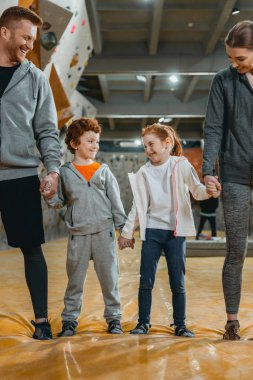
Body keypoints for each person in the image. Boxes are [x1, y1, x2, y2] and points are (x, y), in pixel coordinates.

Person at [118, 124, 219, 337]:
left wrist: (209, 190)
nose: (148, 150)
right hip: (152, 231)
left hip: (175, 232)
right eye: (145, 146)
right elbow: (138, 206)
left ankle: (180, 324)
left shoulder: (180, 165)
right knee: (146, 280)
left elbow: (197, 191)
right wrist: (127, 232)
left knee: (177, 281)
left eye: (151, 144)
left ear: (167, 143)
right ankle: (143, 323)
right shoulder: (144, 172)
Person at [0, 6, 60, 340]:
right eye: (25, 37)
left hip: (19, 176)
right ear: (5, 32)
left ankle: (41, 321)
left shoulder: (35, 78)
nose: (29, 44)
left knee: (31, 249)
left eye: (33, 39)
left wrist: (52, 170)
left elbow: (47, 131)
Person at [46, 118, 127, 336]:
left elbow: (116, 203)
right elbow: (57, 202)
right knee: (74, 282)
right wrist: (49, 194)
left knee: (110, 280)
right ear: (74, 144)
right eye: (90, 141)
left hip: (104, 233)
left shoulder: (104, 171)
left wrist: (124, 230)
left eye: (97, 142)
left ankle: (114, 319)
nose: (95, 146)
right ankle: (70, 321)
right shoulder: (65, 172)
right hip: (78, 236)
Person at [202, 20, 253, 340]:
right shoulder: (223, 82)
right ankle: (232, 320)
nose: (234, 65)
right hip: (234, 175)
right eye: (231, 58)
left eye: (240, 59)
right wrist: (208, 170)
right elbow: (213, 129)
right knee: (236, 249)